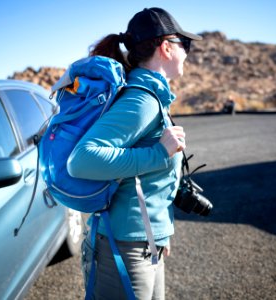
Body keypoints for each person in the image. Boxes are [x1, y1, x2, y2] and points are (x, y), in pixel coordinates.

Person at [67, 7, 202, 300]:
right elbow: (82, 159)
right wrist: (159, 153)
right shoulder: (142, 100)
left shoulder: (153, 96)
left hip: (145, 242)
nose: (188, 53)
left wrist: (161, 232)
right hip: (124, 248)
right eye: (185, 44)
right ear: (166, 47)